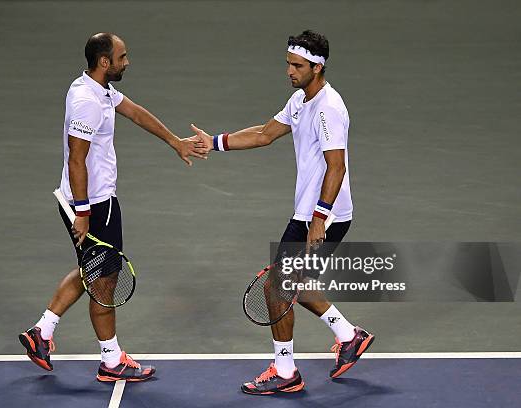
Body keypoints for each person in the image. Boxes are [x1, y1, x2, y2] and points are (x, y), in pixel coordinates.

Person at [191, 30, 374, 395]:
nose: (289, 71)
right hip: (309, 211)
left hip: (324, 215)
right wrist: (213, 142)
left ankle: (286, 370)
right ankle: (349, 335)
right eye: (288, 64)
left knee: (277, 287)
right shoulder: (300, 100)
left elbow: (335, 166)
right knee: (289, 283)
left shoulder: (329, 109)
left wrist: (320, 218)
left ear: (317, 67)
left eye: (297, 65)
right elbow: (263, 133)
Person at [19, 32, 207, 382]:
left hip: (97, 200)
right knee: (104, 281)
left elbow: (134, 112)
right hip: (92, 203)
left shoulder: (100, 90)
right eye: (122, 57)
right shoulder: (86, 101)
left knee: (95, 269)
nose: (127, 61)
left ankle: (42, 332)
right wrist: (84, 212)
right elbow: (77, 160)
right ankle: (111, 360)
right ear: (104, 62)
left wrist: (175, 142)